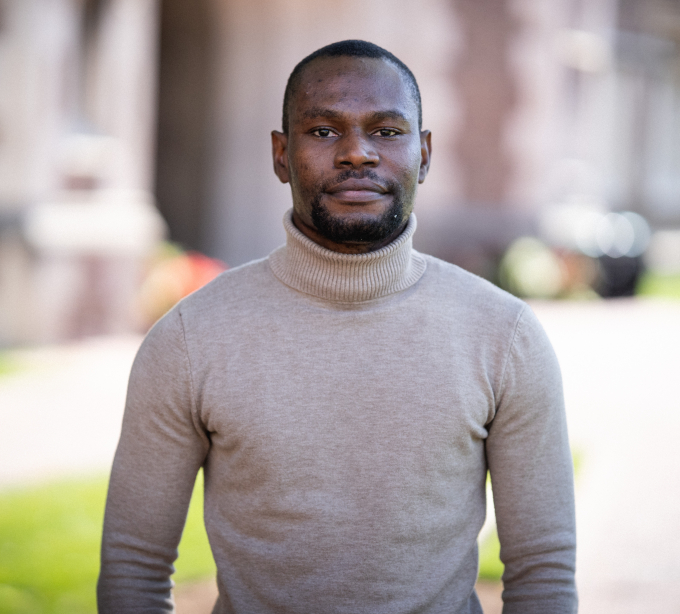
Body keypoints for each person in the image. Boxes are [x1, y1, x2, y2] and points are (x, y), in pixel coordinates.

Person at [98, 40, 576, 613]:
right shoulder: (189, 340)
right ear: (280, 154)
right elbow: (134, 569)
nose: (356, 153)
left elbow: (542, 574)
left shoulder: (505, 337)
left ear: (424, 153)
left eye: (387, 131)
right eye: (324, 131)